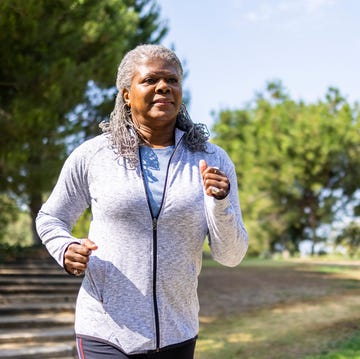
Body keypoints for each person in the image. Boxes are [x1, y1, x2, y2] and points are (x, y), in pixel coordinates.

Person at [36, 44, 248, 359]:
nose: (164, 86)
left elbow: (231, 255)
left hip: (178, 333)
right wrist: (65, 248)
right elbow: (51, 217)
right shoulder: (94, 155)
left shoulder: (211, 159)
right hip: (105, 332)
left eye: (172, 80)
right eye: (150, 80)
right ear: (126, 94)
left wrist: (221, 203)